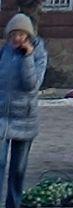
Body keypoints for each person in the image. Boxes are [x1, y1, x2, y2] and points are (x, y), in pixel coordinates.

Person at [1, 14, 45, 208]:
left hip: (25, 118)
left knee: (18, 169)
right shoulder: (5, 51)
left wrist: (27, 56)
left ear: (28, 35)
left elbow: (31, 85)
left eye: (20, 34)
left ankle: (14, 204)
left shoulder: (39, 54)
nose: (16, 39)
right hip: (2, 116)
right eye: (13, 35)